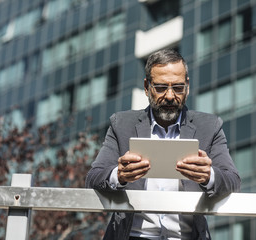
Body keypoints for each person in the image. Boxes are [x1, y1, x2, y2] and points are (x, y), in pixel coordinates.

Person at [85, 49, 241, 240]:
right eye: (160, 87)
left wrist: (209, 176)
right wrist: (119, 175)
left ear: (188, 86)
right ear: (146, 86)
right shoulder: (122, 125)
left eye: (178, 88)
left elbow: (232, 180)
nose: (169, 96)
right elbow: (93, 177)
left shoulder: (210, 127)